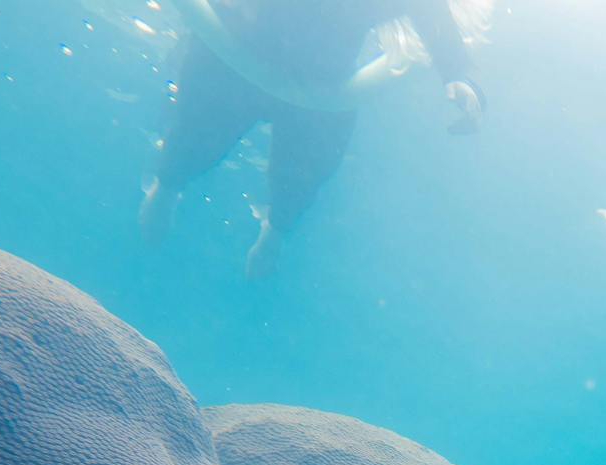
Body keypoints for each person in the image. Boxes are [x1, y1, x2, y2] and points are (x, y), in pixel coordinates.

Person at [140, 0, 484, 277]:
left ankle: (272, 233)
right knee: (192, 136)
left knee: (302, 175)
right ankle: (167, 188)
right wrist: (456, 73)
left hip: (316, 88)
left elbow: (429, 9)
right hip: (243, 57)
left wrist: (457, 74)